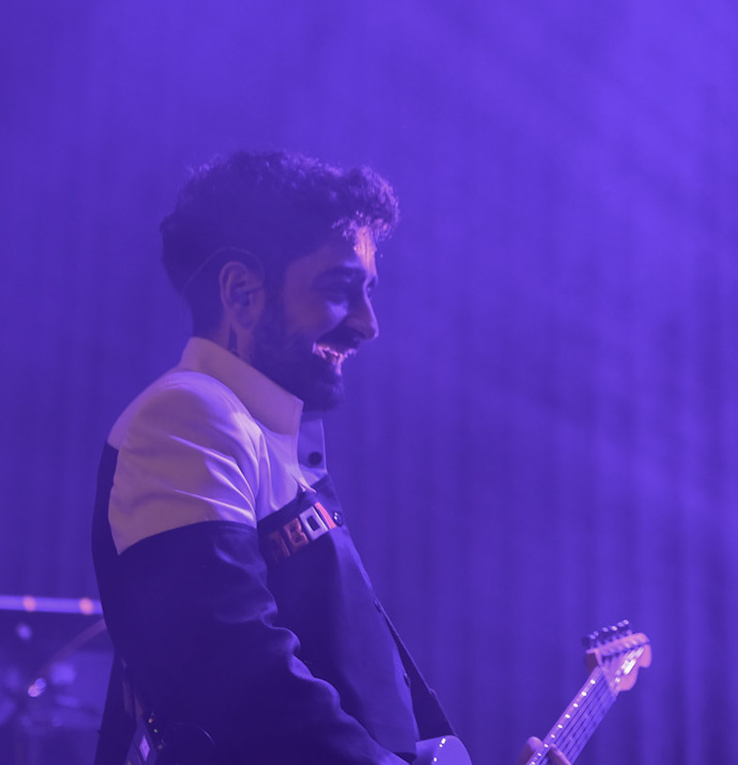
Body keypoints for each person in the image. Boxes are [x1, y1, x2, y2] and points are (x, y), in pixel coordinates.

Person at [91, 151, 570, 765]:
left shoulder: (262, 432)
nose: (368, 324)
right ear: (241, 292)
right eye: (342, 290)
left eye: (369, 292)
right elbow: (241, 680)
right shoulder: (187, 414)